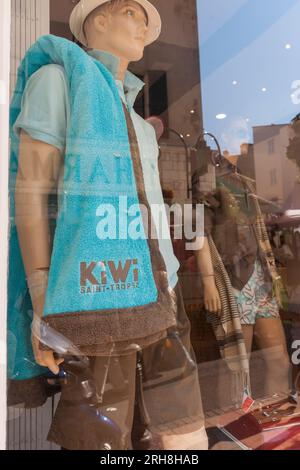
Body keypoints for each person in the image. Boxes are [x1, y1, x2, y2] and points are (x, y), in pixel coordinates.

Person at [8, 0, 207, 450]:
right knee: (102, 436)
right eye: (132, 12)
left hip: (163, 291)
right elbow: (32, 191)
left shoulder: (138, 123)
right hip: (96, 293)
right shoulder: (57, 82)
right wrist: (43, 295)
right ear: (98, 18)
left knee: (184, 430)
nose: (143, 24)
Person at [194, 153, 290, 398]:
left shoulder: (246, 184)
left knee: (279, 361)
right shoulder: (207, 181)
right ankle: (232, 426)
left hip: (262, 280)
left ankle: (275, 421)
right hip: (235, 281)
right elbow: (199, 235)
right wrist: (209, 284)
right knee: (237, 368)